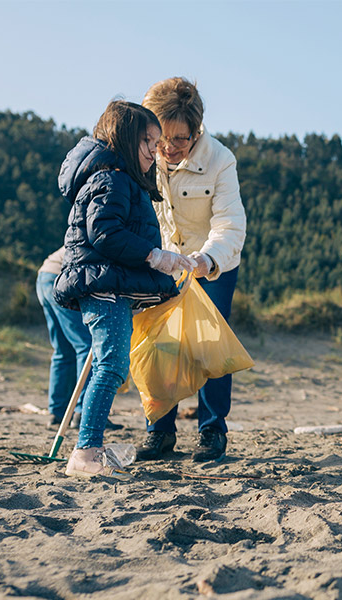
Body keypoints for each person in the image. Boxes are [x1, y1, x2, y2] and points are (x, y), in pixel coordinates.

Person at [54, 100, 196, 479]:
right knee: (112, 365)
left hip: (110, 285)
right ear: (123, 139)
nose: (155, 149)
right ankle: (85, 454)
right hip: (103, 287)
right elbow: (105, 233)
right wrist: (153, 256)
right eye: (148, 141)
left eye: (157, 141)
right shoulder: (111, 178)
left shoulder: (120, 179)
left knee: (110, 365)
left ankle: (91, 446)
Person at [136, 77, 247, 463]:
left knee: (210, 346)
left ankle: (212, 430)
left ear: (196, 131)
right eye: (160, 140)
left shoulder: (221, 159)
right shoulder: (144, 156)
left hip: (212, 264)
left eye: (180, 140)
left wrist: (206, 260)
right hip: (162, 264)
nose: (168, 149)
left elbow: (230, 223)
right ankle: (159, 432)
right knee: (159, 345)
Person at [36, 246, 122, 431]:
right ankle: (84, 412)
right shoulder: (112, 233)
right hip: (60, 278)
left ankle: (57, 413)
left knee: (63, 350)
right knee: (86, 345)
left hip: (45, 275)